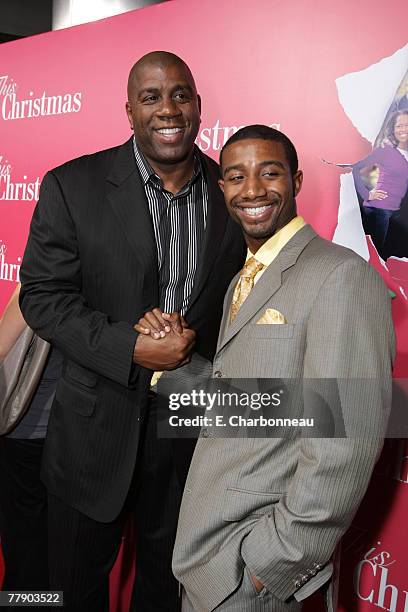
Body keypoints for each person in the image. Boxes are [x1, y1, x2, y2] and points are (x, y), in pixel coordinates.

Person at [19, 51, 245, 611]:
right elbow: (43, 298)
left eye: (180, 95)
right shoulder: (73, 185)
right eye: (151, 97)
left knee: (164, 592)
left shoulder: (234, 194)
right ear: (129, 110)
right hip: (92, 433)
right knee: (70, 588)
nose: (167, 109)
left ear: (198, 106)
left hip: (189, 441)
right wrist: (133, 346)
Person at [170, 125, 395, 611]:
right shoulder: (242, 280)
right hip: (204, 556)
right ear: (222, 187)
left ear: (294, 181)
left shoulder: (342, 276)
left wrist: (269, 566)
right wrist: (174, 363)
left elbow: (345, 443)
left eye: (268, 173)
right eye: (236, 177)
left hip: (252, 573)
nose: (252, 190)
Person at [0, 284, 63, 591]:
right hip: (52, 433)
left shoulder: (47, 264)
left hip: (33, 429)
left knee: (27, 562)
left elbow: (1, 345)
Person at [352, 110, 408, 258]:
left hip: (396, 213)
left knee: (387, 256)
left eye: (407, 125)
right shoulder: (386, 150)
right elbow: (356, 168)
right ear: (393, 129)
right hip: (379, 210)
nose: (403, 129)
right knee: (374, 256)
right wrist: (367, 194)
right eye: (399, 126)